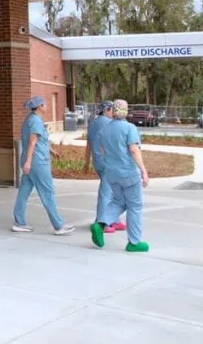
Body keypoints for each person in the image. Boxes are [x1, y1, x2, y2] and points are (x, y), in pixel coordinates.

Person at [90, 98, 150, 252]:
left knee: (119, 202)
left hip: (112, 174)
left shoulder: (105, 129)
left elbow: (102, 151)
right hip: (128, 173)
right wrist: (143, 170)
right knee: (134, 206)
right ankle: (134, 242)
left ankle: (100, 224)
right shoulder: (130, 128)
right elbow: (134, 149)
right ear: (126, 111)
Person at [12, 96, 76, 235]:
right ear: (40, 106)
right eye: (45, 104)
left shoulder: (30, 119)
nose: (47, 106)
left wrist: (52, 151)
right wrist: (29, 162)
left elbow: (40, 141)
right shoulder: (36, 121)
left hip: (31, 162)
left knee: (24, 191)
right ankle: (58, 225)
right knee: (48, 192)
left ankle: (19, 222)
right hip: (37, 163)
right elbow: (32, 142)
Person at [84, 101, 126, 234]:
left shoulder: (93, 123)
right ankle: (102, 222)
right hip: (107, 162)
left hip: (98, 161)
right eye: (113, 110)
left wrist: (86, 162)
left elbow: (89, 144)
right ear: (107, 110)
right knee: (107, 193)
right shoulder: (108, 123)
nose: (114, 113)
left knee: (112, 191)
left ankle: (114, 220)